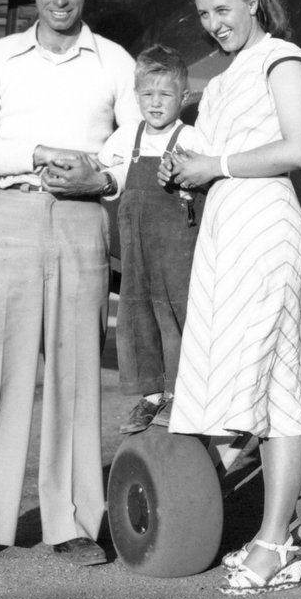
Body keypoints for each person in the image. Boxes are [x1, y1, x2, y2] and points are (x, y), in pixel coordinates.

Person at [0, 0, 138, 574]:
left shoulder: (115, 62)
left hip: (83, 222)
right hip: (14, 215)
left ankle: (75, 522)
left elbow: (133, 151)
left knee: (78, 374)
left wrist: (100, 178)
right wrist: (36, 152)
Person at [160, 0, 301, 595]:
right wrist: (183, 171)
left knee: (276, 389)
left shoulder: (282, 60)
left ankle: (275, 542)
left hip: (266, 234)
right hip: (228, 235)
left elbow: (297, 146)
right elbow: (204, 156)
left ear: (254, 1)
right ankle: (279, 537)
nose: (214, 22)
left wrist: (215, 166)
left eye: (224, 8)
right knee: (261, 393)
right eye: (204, 12)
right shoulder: (226, 78)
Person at [97, 44, 199, 434]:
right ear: (136, 95)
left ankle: (178, 392)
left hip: (176, 249)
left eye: (166, 94)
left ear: (183, 97)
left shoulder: (192, 135)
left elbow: (203, 179)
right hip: (136, 250)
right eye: (147, 94)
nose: (155, 103)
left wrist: (186, 176)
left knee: (175, 315)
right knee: (137, 314)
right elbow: (105, 174)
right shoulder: (127, 136)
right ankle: (150, 394)